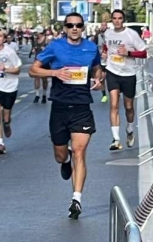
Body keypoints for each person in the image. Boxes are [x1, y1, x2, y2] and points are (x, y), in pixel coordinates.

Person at [29, 12, 102, 219]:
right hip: (60, 107)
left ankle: (76, 199)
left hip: (82, 108)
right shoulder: (55, 47)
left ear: (83, 27)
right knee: (61, 154)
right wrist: (55, 73)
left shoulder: (91, 48)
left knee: (80, 152)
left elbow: (97, 67)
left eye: (78, 25)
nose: (74, 28)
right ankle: (64, 160)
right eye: (70, 25)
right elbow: (33, 70)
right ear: (65, 28)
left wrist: (98, 79)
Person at [102, 9, 147, 150]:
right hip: (112, 71)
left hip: (128, 74)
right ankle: (116, 139)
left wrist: (128, 53)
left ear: (123, 20)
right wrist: (104, 56)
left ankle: (129, 129)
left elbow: (144, 53)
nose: (117, 21)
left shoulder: (131, 34)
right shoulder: (107, 33)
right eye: (114, 18)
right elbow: (106, 47)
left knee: (128, 107)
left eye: (119, 18)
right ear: (111, 20)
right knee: (113, 105)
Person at [28, 26, 49, 104]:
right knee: (36, 78)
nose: (35, 34)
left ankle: (44, 94)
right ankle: (37, 95)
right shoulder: (35, 40)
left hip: (45, 62)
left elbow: (51, 50)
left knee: (44, 79)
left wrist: (45, 50)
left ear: (40, 32)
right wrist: (31, 52)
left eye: (36, 32)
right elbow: (33, 48)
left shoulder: (47, 40)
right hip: (36, 61)